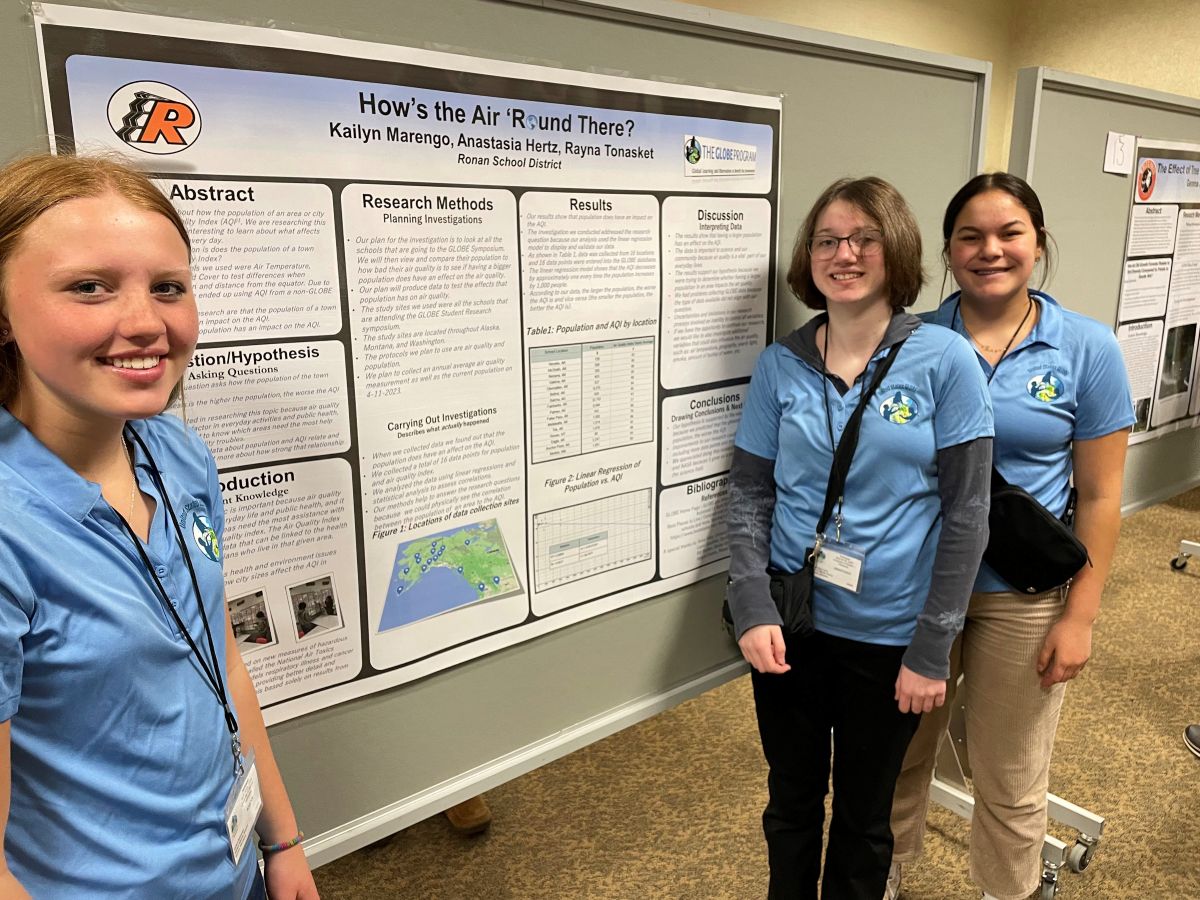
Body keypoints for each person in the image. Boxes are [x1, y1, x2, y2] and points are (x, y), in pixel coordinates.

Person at [0, 153, 318, 899]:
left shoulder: (177, 454)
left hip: (230, 866)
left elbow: (219, 655)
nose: (145, 323)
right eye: (89, 287)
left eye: (168, 287)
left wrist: (284, 838)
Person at [726, 176, 994, 899]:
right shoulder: (782, 365)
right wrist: (751, 603)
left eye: (862, 239)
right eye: (827, 240)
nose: (843, 254)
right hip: (792, 628)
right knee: (790, 806)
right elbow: (750, 492)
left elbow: (968, 516)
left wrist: (932, 647)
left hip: (890, 640)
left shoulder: (944, 361)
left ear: (894, 249)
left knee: (864, 820)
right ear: (808, 258)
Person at [888, 173, 1134, 900]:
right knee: (896, 756)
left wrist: (1080, 616)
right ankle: (882, 876)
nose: (989, 250)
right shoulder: (909, 341)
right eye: (970, 235)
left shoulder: (1086, 349)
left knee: (1010, 774)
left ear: (1038, 243)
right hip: (913, 588)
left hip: (1021, 595)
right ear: (948, 249)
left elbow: (1101, 494)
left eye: (1009, 233)